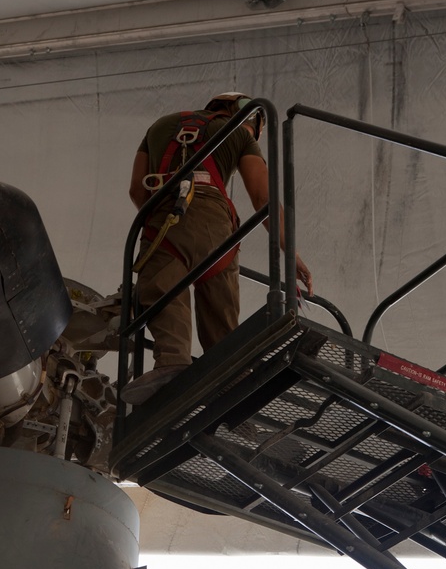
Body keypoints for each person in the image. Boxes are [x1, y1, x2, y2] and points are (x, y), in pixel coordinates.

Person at [123, 93, 313, 405]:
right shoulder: (240, 130)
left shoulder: (159, 126)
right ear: (241, 110)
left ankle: (172, 364)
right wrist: (289, 253)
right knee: (221, 310)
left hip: (162, 214)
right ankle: (229, 383)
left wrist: (162, 221)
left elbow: (135, 189)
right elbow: (262, 196)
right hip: (214, 222)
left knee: (163, 292)